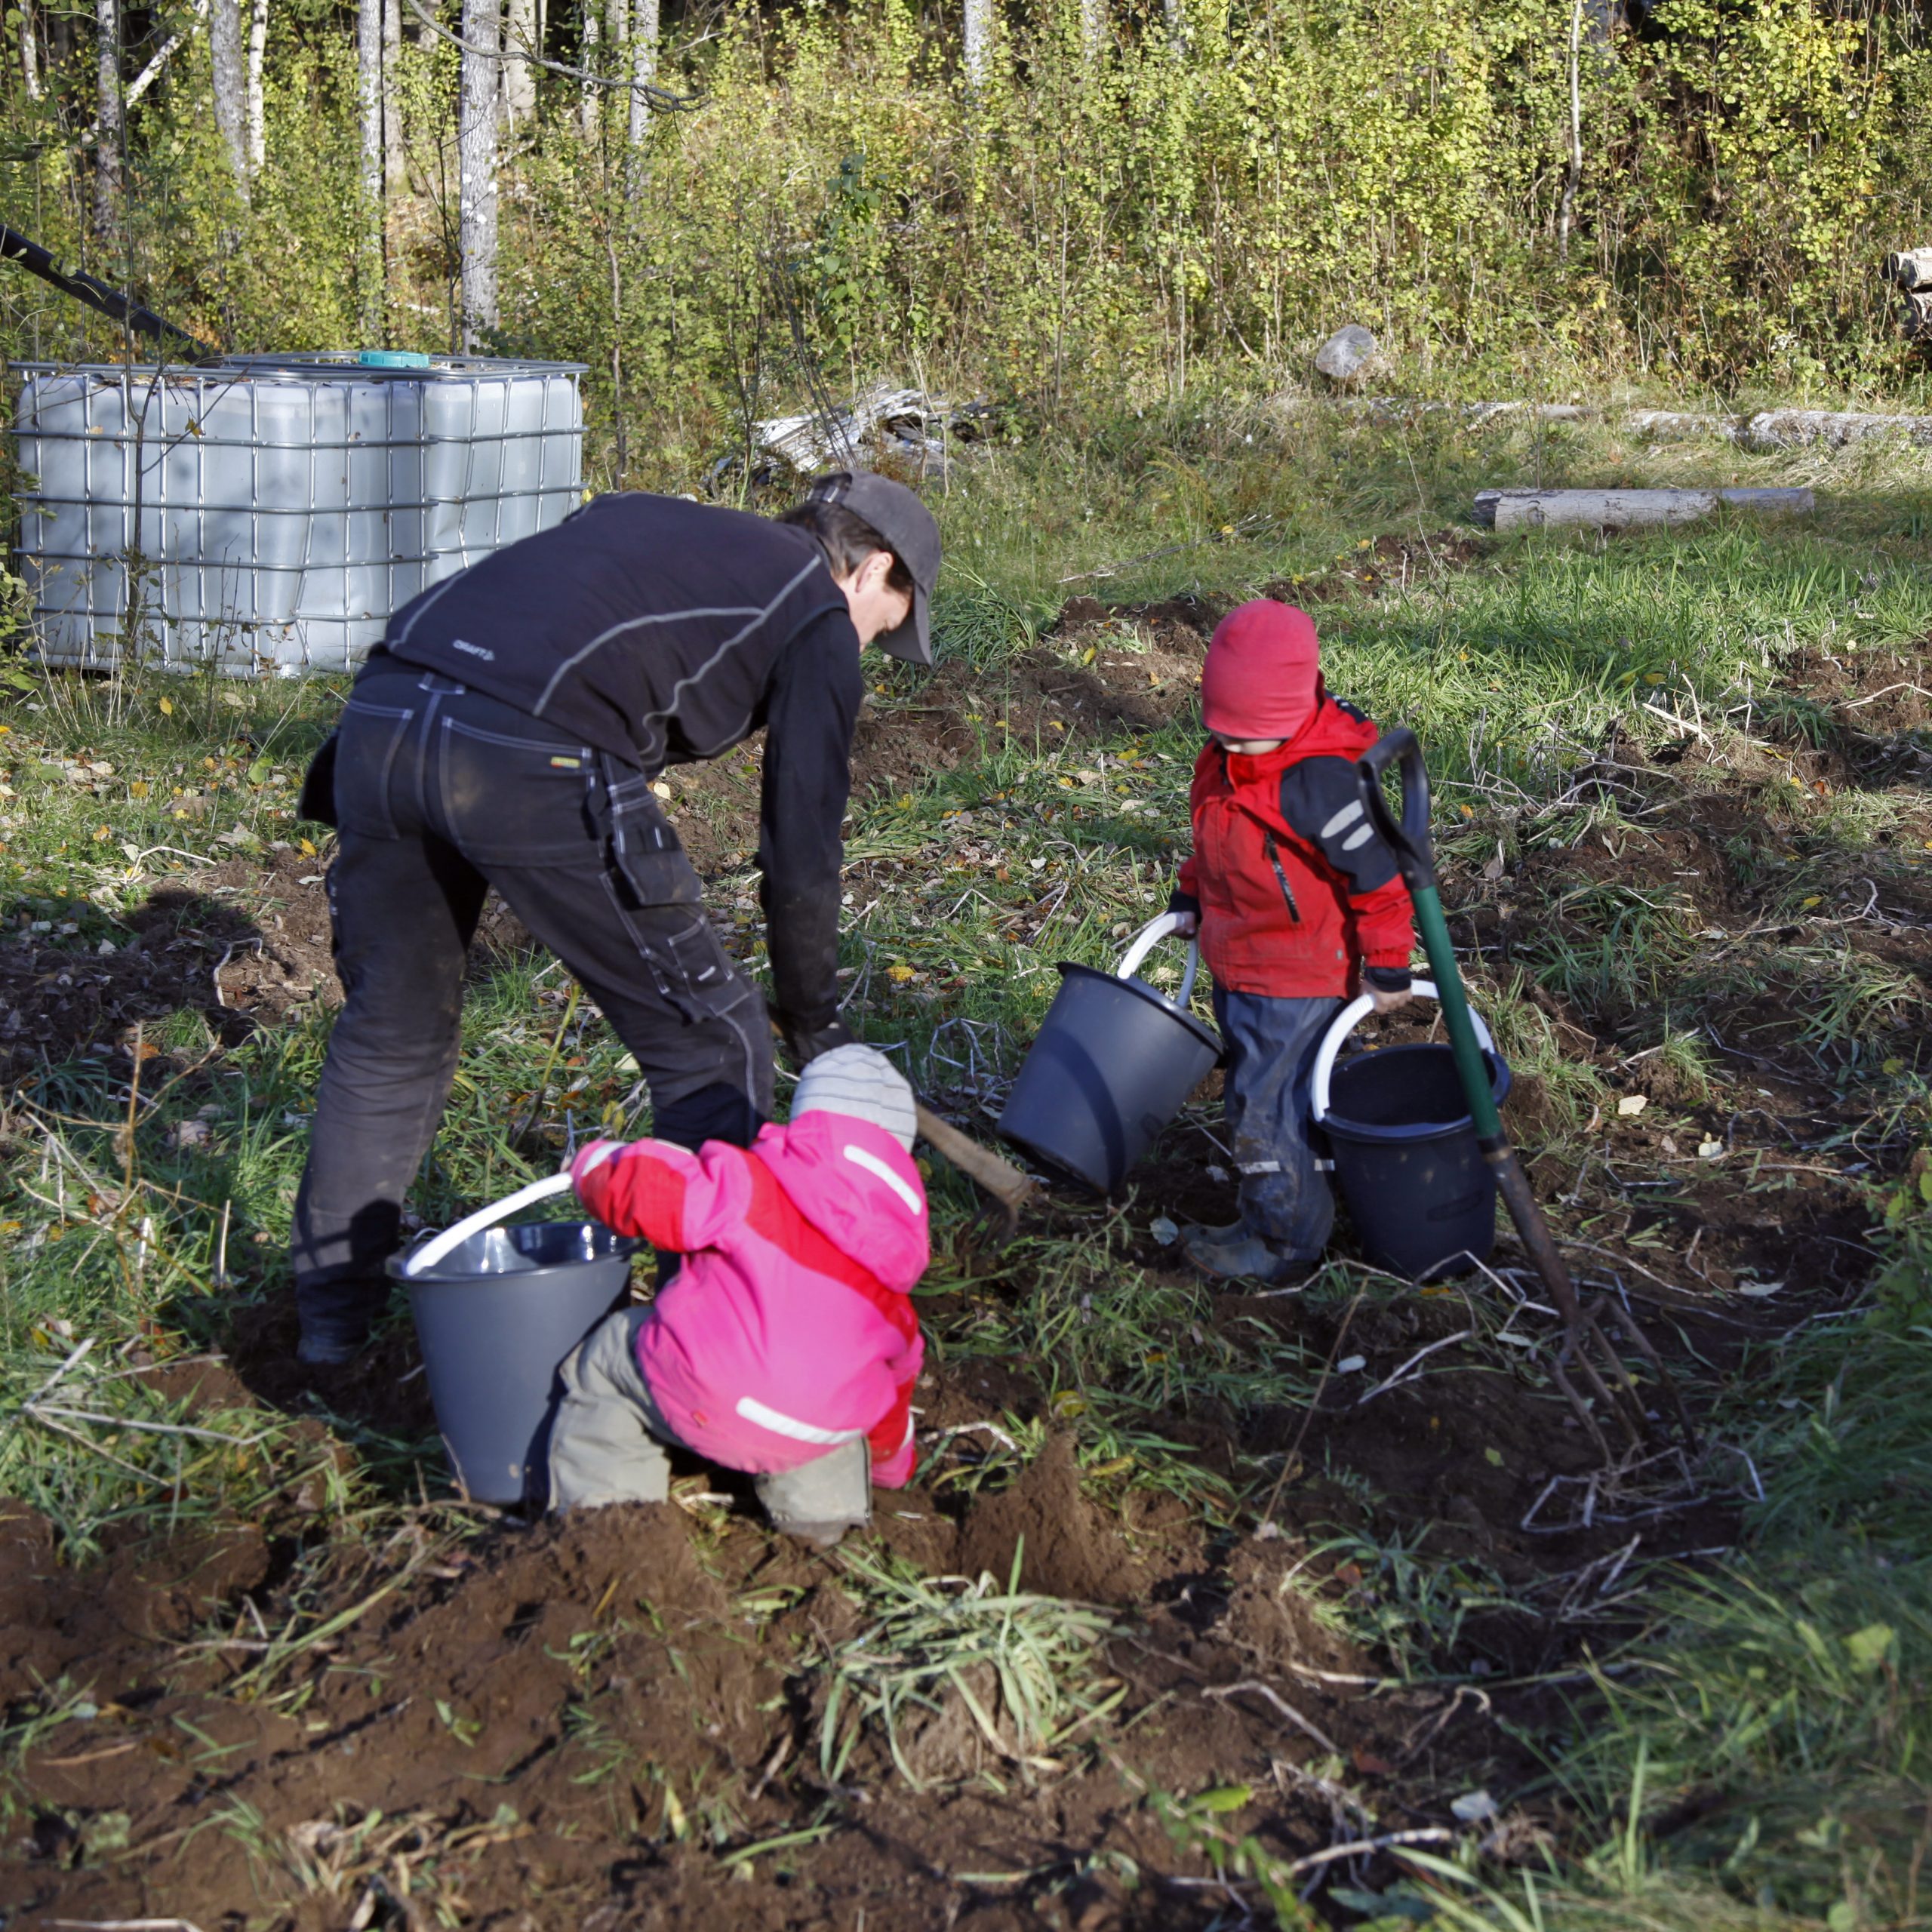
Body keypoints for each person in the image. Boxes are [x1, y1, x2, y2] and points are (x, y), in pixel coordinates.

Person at [290, 473, 941, 1365]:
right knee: (715, 1046)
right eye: (886, 626)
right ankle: (711, 1346)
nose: (869, 649)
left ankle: (333, 1323)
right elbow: (802, 845)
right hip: (528, 746)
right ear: (871, 568)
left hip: (385, 712)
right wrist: (813, 1015)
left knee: (390, 1033)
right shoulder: (817, 615)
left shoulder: (649, 518)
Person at [546, 1044, 927, 1543]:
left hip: (709, 1394)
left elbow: (660, 1191)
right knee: (844, 1400)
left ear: (807, 1124)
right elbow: (892, 1401)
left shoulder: (751, 1183)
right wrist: (892, 1470)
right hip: (811, 1431)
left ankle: (614, 1527)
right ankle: (823, 1521)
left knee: (606, 1360)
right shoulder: (893, 1284)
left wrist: (598, 1165)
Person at [1167, 599, 1415, 1287]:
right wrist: (1191, 891)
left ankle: (1282, 1242)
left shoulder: (1321, 782)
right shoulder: (1224, 758)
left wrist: (1389, 964)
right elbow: (1215, 838)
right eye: (1224, 732)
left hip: (1298, 977)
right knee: (1282, 1098)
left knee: (1266, 1109)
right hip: (1242, 959)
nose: (1235, 747)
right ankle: (1282, 1212)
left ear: (1292, 710)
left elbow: (1381, 881)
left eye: (1251, 737)